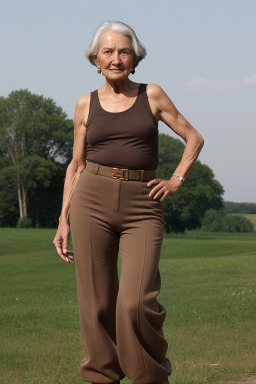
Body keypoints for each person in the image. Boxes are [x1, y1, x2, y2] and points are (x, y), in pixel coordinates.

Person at [53, 21, 204, 384]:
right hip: (91, 198)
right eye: (108, 51)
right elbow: (76, 164)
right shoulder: (84, 104)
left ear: (135, 58)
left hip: (143, 203)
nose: (116, 58)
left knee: (135, 302)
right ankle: (102, 377)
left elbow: (193, 138)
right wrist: (63, 220)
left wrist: (175, 180)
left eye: (124, 51)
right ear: (95, 59)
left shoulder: (151, 95)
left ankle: (150, 378)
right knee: (97, 302)